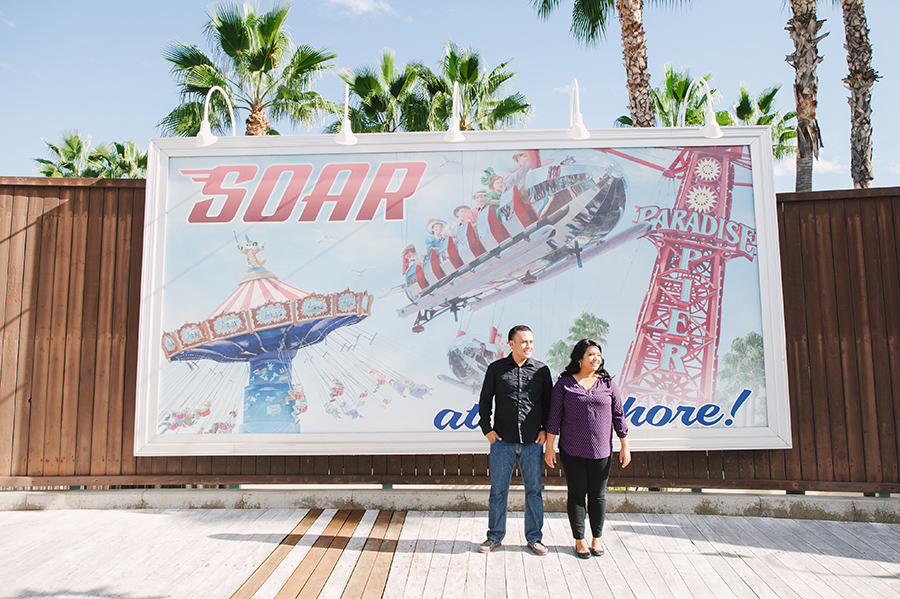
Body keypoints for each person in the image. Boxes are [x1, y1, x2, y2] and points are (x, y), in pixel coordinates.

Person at [544, 338, 630, 559]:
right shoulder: (564, 384)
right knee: (576, 495)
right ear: (580, 358)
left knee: (598, 496)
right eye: (591, 354)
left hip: (601, 451)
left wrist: (624, 446)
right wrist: (550, 448)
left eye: (599, 355)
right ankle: (579, 540)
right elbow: (554, 417)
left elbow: (619, 416)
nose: (596, 358)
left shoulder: (608, 383)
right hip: (572, 450)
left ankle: (597, 538)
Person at [478, 325, 553, 556]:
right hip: (502, 441)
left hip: (533, 443)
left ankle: (534, 538)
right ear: (511, 344)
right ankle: (494, 537)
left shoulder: (541, 371)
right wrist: (487, 430)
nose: (528, 346)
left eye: (531, 342)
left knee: (534, 492)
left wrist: (545, 431)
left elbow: (549, 406)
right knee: (498, 491)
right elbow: (484, 402)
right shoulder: (496, 369)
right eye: (523, 342)